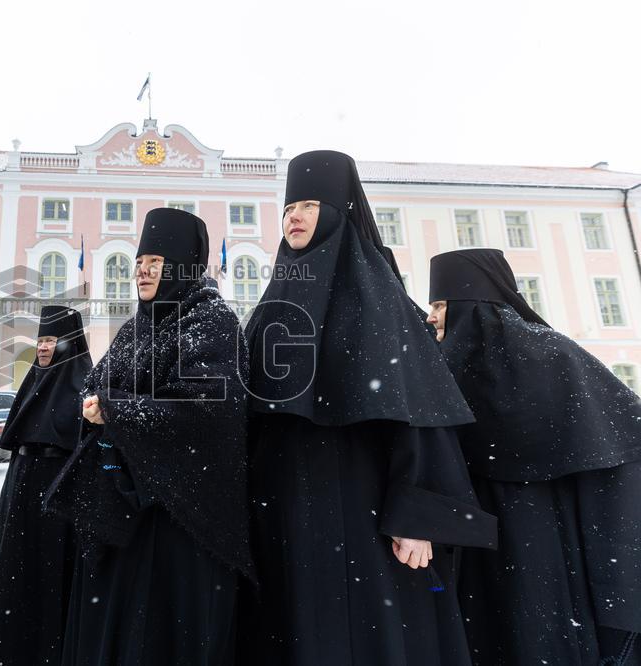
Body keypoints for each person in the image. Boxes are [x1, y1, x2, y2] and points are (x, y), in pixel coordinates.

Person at [240, 150, 497, 665]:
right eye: (289, 206)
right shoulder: (274, 299)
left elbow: (418, 410)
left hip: (363, 503)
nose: (293, 215)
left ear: (337, 211)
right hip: (283, 504)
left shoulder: (377, 293)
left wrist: (417, 512)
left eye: (309, 204)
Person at [46, 207, 255, 666]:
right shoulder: (136, 326)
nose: (142, 270)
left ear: (183, 267)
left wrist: (118, 408)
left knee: (165, 635)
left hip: (185, 520)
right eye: (139, 261)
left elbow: (210, 410)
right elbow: (94, 384)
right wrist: (102, 404)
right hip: (127, 514)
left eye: (156, 261)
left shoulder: (211, 319)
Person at [428, 248, 641, 665]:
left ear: (471, 303)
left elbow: (623, 437)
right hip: (490, 549)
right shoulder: (446, 368)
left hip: (553, 543)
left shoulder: (555, 356)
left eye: (439, 304)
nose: (431, 316)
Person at [0, 305, 93, 666]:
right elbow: (18, 445)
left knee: (52, 586)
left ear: (69, 346)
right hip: (22, 499)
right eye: (40, 339)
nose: (42, 347)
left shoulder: (85, 387)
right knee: (14, 587)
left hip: (59, 506)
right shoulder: (32, 385)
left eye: (51, 340)